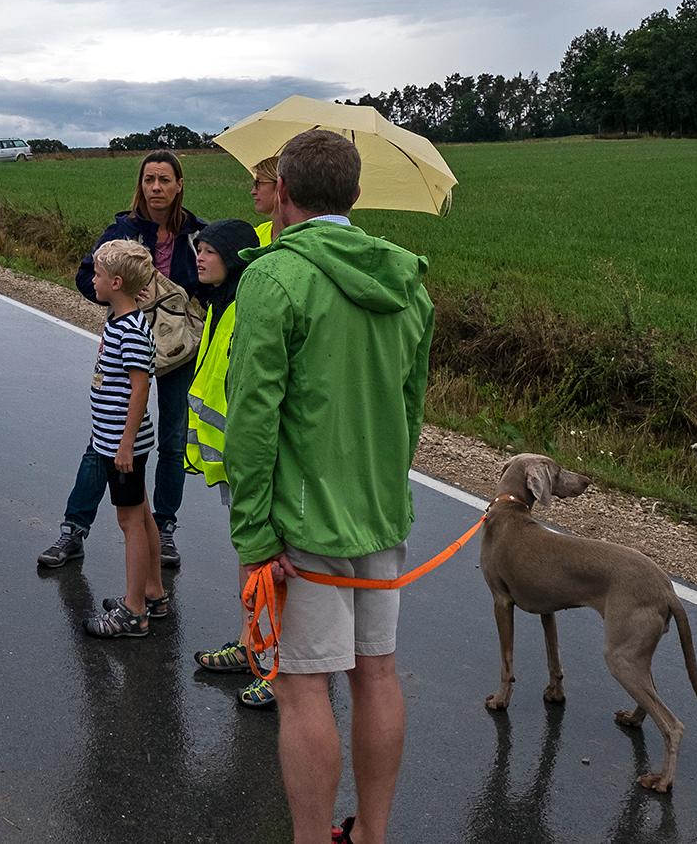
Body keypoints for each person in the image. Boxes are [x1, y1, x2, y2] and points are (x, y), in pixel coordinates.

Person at [223, 129, 433, 844]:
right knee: (376, 673)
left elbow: (252, 419)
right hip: (380, 513)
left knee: (300, 685)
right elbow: (410, 409)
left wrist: (253, 537)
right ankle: (372, 834)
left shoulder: (272, 277)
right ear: (357, 194)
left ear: (280, 191)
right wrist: (383, 491)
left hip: (300, 524)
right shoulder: (407, 280)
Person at [38, 150, 206, 571]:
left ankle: (163, 529)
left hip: (178, 350)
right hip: (128, 342)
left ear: (179, 184)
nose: (156, 188)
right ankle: (74, 530)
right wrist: (125, 302)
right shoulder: (123, 230)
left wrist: (185, 299)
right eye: (149, 179)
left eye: (165, 180)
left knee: (171, 439)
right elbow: (85, 276)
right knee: (106, 438)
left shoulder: (197, 234)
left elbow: (216, 282)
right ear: (140, 184)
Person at [181, 218, 277, 709]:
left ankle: (276, 664)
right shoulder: (222, 304)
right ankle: (250, 643)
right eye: (199, 248)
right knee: (250, 556)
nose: (201, 257)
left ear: (237, 257)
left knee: (270, 562)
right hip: (235, 459)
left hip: (253, 458)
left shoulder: (248, 310)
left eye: (211, 250)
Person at [80, 239, 166, 639]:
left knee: (129, 520)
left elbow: (140, 387)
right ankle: (153, 591)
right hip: (118, 438)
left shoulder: (129, 329)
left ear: (115, 282)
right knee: (142, 512)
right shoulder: (121, 320)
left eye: (97, 275)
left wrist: (125, 443)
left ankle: (135, 612)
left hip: (122, 444)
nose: (92, 280)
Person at [250, 155, 279, 245]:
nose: (253, 191)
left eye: (259, 183)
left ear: (280, 185)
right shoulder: (256, 234)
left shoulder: (307, 239)